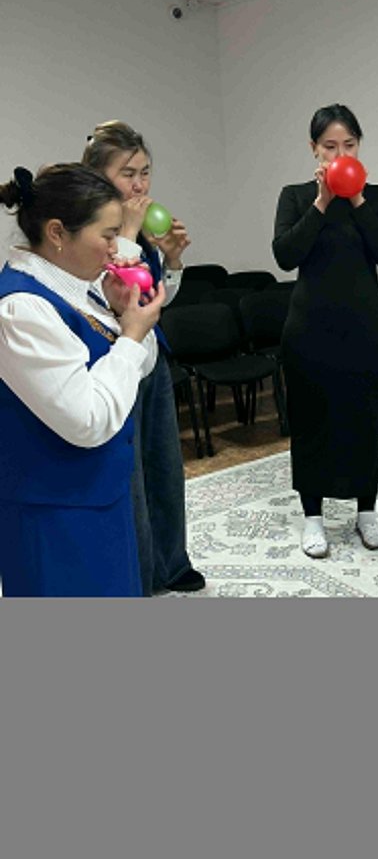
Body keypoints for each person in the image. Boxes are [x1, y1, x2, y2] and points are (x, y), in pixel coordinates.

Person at [0, 163, 164, 596]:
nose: (116, 248)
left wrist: (124, 318)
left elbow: (140, 367)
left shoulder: (80, 287)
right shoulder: (22, 308)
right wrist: (129, 336)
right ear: (57, 232)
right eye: (108, 235)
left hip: (97, 495)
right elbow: (87, 420)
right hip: (53, 514)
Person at [273, 103, 378, 558]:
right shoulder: (295, 196)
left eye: (349, 145)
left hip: (367, 330)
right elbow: (285, 255)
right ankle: (313, 516)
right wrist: (322, 202)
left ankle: (366, 510)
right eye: (330, 146)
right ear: (314, 149)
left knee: (365, 423)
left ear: (359, 146)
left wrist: (357, 199)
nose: (340, 154)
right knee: (311, 422)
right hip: (309, 331)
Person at [82, 121, 205, 595]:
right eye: (128, 173)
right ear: (99, 177)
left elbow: (154, 300)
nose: (140, 185)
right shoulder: (91, 233)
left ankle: (172, 563)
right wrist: (130, 234)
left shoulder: (141, 229)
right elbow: (103, 296)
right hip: (115, 365)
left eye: (145, 172)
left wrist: (171, 260)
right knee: (130, 477)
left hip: (152, 359)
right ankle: (139, 572)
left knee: (165, 469)